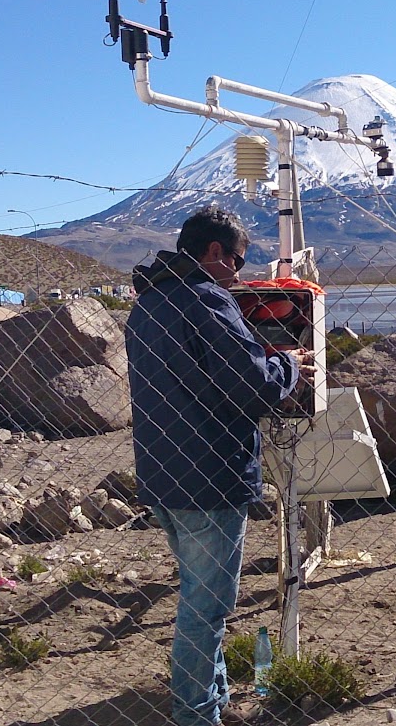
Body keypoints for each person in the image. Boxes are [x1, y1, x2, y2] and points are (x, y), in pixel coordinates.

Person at [125, 206, 313, 726]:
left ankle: (215, 697)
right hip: (210, 473)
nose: (239, 272)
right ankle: (196, 713)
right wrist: (291, 364)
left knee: (196, 592)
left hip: (164, 471)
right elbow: (254, 384)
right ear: (214, 253)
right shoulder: (206, 299)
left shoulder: (150, 302)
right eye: (237, 260)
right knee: (206, 609)